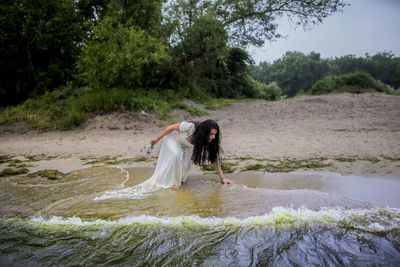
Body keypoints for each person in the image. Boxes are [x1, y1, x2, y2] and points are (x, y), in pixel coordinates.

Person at [145, 119, 234, 189]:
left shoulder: (209, 140)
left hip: (185, 148)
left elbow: (214, 159)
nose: (213, 137)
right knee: (176, 156)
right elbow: (172, 128)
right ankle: (174, 184)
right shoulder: (190, 127)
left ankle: (178, 181)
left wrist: (222, 178)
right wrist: (157, 139)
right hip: (172, 141)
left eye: (215, 134)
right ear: (204, 132)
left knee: (185, 167)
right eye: (211, 134)